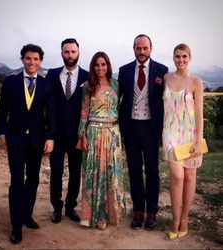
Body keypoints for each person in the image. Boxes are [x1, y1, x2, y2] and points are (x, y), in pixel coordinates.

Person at [0, 44, 55, 244]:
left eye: (36, 59)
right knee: (17, 181)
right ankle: (16, 225)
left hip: (37, 140)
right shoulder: (10, 82)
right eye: (28, 58)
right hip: (15, 139)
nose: (32, 62)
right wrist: (1, 133)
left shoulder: (46, 85)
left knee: (33, 180)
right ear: (22, 60)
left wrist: (50, 137)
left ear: (40, 62)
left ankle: (27, 215)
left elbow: (50, 114)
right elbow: (2, 110)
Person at [118, 34, 168, 230]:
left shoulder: (162, 71)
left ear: (151, 49)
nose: (141, 51)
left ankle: (152, 213)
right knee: (135, 171)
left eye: (145, 48)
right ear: (133, 49)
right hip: (131, 128)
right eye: (138, 48)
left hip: (151, 128)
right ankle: (138, 212)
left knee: (153, 171)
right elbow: (116, 98)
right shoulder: (124, 71)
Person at [76, 51, 125, 230]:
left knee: (110, 176)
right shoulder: (88, 86)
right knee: (94, 174)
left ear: (108, 65)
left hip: (113, 134)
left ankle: (107, 215)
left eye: (103, 64)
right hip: (94, 133)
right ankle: (93, 216)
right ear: (93, 67)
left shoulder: (115, 84)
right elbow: (83, 113)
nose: (100, 68)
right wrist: (83, 135)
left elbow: (118, 108)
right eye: (97, 65)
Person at [162, 43, 204, 239]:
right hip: (170, 134)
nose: (181, 60)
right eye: (177, 56)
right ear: (173, 58)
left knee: (189, 177)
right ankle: (175, 219)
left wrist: (198, 140)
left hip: (190, 134)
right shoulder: (166, 78)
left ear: (190, 58)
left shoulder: (196, 82)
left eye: (184, 57)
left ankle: (185, 219)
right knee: (177, 176)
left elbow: (199, 114)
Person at [46, 38, 88, 224]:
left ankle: (71, 207)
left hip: (77, 134)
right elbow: (46, 105)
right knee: (55, 171)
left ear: (78, 53)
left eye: (73, 52)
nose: (70, 55)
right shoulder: (52, 75)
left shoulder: (88, 76)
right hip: (56, 134)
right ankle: (56, 207)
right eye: (66, 52)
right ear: (61, 53)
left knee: (75, 171)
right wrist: (48, 134)